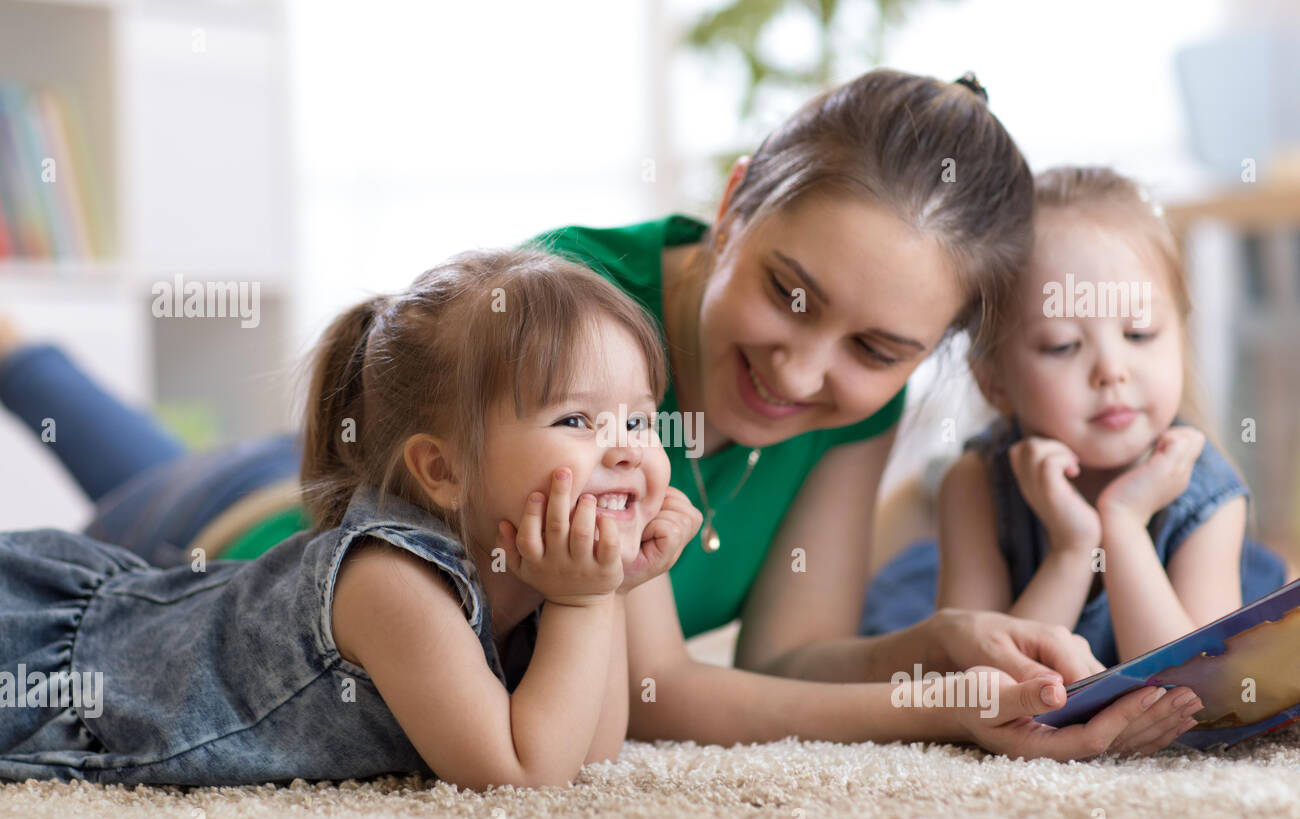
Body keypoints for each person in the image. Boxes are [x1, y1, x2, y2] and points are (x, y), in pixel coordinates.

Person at [0, 72, 1202, 757]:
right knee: (134, 525)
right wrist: (937, 716)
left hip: (302, 508)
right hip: (250, 553)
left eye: (876, 348)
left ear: (925, 350)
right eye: (789, 291)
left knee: (146, 451)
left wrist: (931, 649)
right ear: (732, 204)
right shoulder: (576, 321)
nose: (800, 366)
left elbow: (786, 661)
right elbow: (649, 693)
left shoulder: (849, 399)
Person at [0, 248, 701, 789]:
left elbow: (587, 753)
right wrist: (584, 599)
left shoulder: (539, 570)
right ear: (443, 471)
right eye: (577, 419)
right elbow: (521, 775)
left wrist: (607, 591)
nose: (627, 448)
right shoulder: (392, 580)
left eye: (639, 418)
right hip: (45, 663)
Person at [862, 166, 1288, 674]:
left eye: (1140, 334)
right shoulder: (974, 483)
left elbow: (1195, 692)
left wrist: (1125, 525)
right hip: (958, 585)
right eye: (1063, 346)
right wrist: (1073, 548)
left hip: (1204, 606)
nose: (1112, 370)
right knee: (899, 612)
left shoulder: (1208, 495)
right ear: (993, 380)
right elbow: (983, 684)